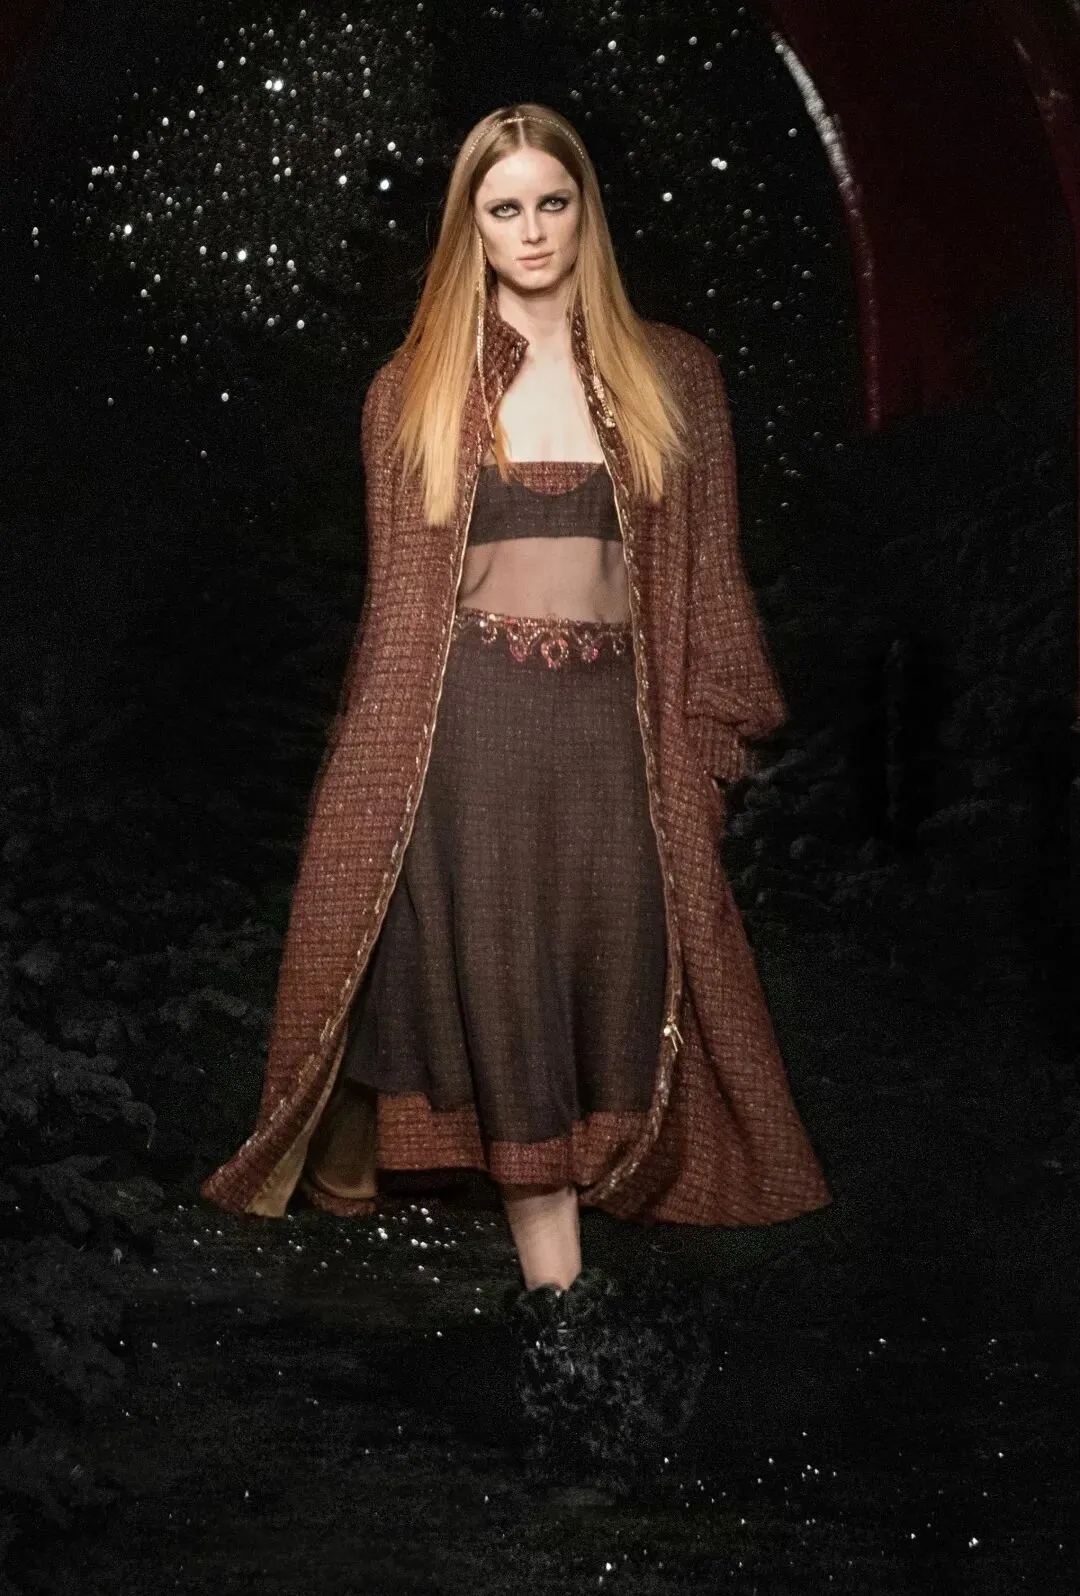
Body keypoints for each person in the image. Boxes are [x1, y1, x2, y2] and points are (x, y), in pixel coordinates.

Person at [201, 102, 831, 1490]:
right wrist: (370, 788)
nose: (533, 231)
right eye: (504, 209)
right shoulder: (414, 386)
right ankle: (569, 1345)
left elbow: (710, 580)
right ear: (470, 227)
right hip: (469, 742)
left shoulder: (675, 373)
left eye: (553, 202)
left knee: (628, 995)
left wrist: (714, 745)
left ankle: (607, 1316)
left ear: (585, 211)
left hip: (616, 745)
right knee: (509, 1010)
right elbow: (398, 615)